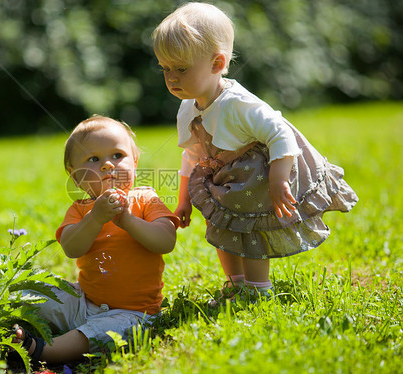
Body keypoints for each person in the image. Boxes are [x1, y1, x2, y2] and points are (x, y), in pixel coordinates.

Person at [152, 2, 358, 304]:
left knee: (252, 233)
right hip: (224, 179)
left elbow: (281, 132)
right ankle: (236, 284)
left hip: (257, 178)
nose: (171, 77)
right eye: (165, 68)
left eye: (181, 69)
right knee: (222, 225)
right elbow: (192, 156)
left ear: (217, 63)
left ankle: (258, 289)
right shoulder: (188, 107)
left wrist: (279, 179)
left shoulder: (237, 104)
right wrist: (183, 199)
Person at [8, 116, 179, 367]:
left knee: (94, 335)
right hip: (82, 301)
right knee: (29, 291)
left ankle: (42, 350)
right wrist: (95, 218)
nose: (108, 165)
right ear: (75, 177)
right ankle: (8, 312)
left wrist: (130, 222)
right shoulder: (80, 210)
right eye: (94, 159)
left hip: (133, 313)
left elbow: (166, 241)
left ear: (135, 162)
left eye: (118, 155)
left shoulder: (146, 200)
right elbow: (71, 247)